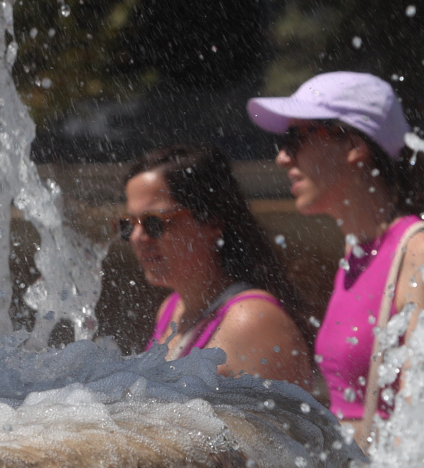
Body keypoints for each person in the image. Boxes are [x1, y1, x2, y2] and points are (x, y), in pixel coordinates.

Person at [247, 72, 424, 449]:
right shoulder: (355, 255)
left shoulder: (419, 250)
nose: (282, 158)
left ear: (353, 145)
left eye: (295, 139)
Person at [123, 145, 313, 390]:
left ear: (212, 221)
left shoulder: (252, 320)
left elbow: (281, 428)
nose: (137, 237)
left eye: (154, 223)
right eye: (128, 225)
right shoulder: (172, 309)